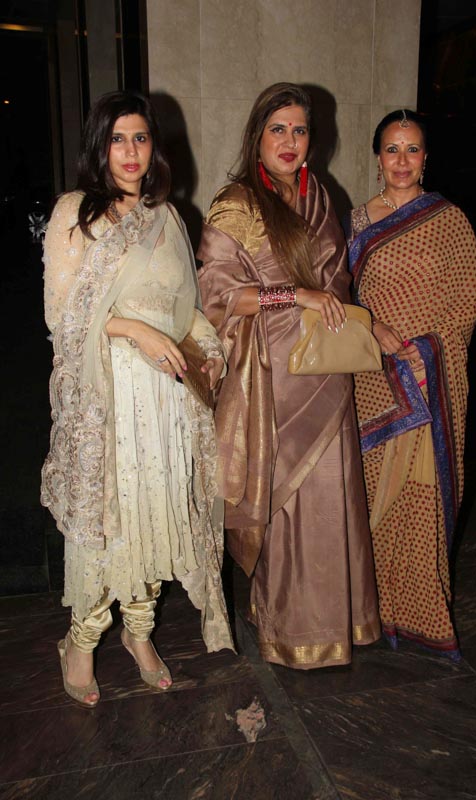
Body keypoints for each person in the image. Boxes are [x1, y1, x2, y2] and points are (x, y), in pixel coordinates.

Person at [41, 90, 234, 707]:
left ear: (155, 149)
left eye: (141, 138)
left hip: (164, 399)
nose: (130, 152)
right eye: (118, 139)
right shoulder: (76, 213)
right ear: (99, 148)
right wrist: (136, 331)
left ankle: (140, 631)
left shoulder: (168, 217)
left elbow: (186, 308)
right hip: (107, 398)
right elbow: (62, 319)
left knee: (158, 512)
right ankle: (81, 639)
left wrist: (208, 348)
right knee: (109, 521)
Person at [196, 82, 381, 670]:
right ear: (258, 135)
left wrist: (328, 304)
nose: (289, 141)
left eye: (299, 130)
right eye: (278, 129)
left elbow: (339, 280)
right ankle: (288, 628)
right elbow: (220, 295)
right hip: (273, 376)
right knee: (287, 504)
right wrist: (295, 295)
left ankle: (337, 624)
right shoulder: (236, 204)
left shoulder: (320, 197)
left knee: (329, 500)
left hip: (326, 369)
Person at [344, 108, 476, 661]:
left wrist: (426, 351)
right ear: (377, 157)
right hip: (372, 378)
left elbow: (469, 296)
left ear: (426, 157)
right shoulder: (356, 223)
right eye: (392, 149)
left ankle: (422, 610)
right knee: (371, 492)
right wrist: (372, 328)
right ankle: (369, 609)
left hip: (431, 378)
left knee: (422, 494)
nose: (402, 160)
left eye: (412, 149)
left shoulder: (449, 220)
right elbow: (342, 297)